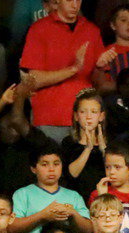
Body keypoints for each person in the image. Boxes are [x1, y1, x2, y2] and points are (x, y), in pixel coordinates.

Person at [18, 0, 104, 142]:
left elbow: (99, 84)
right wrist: (73, 69)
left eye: (78, 0)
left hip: (86, 118)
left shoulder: (92, 30)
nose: (75, 5)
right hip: (51, 118)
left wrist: (100, 67)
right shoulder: (39, 29)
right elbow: (33, 79)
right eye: (69, 0)